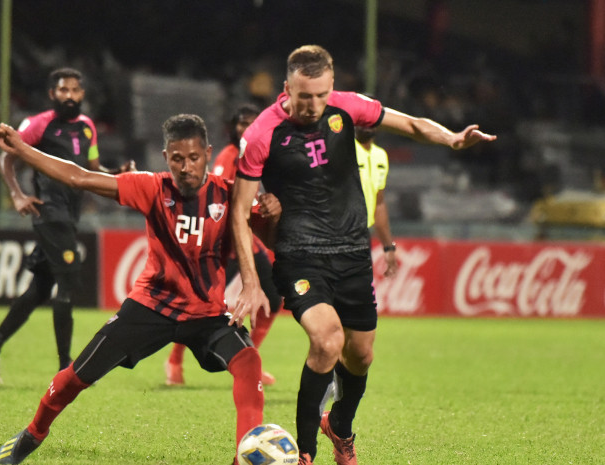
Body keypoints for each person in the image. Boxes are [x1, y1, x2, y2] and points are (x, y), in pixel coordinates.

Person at [229, 45, 496, 465]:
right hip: (300, 255)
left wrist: (452, 138)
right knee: (327, 340)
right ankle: (305, 453)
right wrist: (249, 279)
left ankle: (339, 426)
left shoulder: (348, 108)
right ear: (287, 88)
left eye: (320, 95)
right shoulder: (263, 134)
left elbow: (408, 123)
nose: (313, 105)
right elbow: (238, 212)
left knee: (361, 355)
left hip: (352, 253)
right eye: (304, 97)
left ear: (331, 86)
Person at [0, 114, 264, 465]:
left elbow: (274, 237)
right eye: (177, 159)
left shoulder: (231, 196)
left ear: (208, 153)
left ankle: (243, 459)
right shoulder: (152, 187)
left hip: (208, 314)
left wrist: (275, 214)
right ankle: (32, 434)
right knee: (75, 377)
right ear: (165, 157)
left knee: (249, 362)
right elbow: (78, 176)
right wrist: (22, 149)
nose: (186, 167)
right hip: (151, 307)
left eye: (193, 158)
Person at [0, 68, 133, 384]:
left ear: (82, 94)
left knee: (40, 289)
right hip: (49, 213)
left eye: (75, 90)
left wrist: (118, 172)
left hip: (70, 216)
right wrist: (17, 195)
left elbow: (92, 169)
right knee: (69, 284)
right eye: (63, 90)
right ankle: (66, 367)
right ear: (52, 93)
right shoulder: (38, 125)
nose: (69, 96)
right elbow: (7, 157)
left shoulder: (87, 128)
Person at [164, 103, 283, 387]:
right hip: (219, 242)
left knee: (273, 300)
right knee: (195, 305)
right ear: (233, 127)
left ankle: (250, 359)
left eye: (252, 123)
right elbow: (214, 199)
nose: (246, 128)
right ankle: (174, 362)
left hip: (246, 241)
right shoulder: (229, 156)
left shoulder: (260, 154)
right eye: (241, 123)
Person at [355, 124, 398, 278]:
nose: (366, 124)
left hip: (361, 237)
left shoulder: (380, 156)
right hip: (336, 235)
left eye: (369, 120)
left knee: (357, 298)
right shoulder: (343, 150)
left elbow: (378, 203)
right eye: (361, 120)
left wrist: (388, 247)